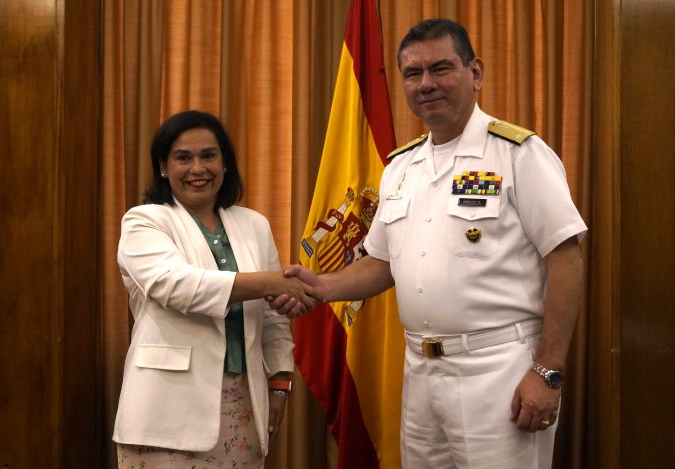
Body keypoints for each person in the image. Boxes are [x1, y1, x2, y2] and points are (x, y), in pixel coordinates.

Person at [271, 19, 587, 469]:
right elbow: (381, 263)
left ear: (475, 73)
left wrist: (547, 372)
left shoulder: (518, 153)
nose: (426, 84)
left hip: (497, 370)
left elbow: (566, 258)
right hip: (420, 371)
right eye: (413, 73)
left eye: (441, 68)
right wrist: (320, 287)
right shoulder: (402, 168)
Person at [113, 110, 316, 468]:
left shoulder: (254, 224)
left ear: (224, 164)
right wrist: (269, 281)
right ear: (163, 167)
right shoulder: (144, 220)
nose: (198, 168)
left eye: (208, 155)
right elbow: (176, 286)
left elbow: (272, 317)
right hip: (165, 411)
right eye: (183, 158)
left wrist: (280, 381)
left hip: (243, 404)